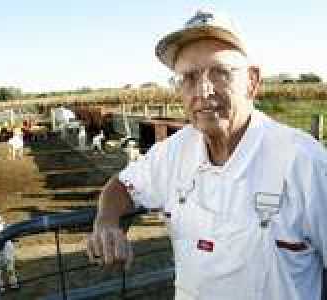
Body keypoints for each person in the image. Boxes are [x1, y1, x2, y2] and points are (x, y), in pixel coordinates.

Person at [87, 8, 327, 300]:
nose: (203, 90)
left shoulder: (305, 163)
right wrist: (106, 221)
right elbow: (122, 185)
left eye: (221, 72)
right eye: (188, 77)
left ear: (252, 81)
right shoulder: (174, 153)